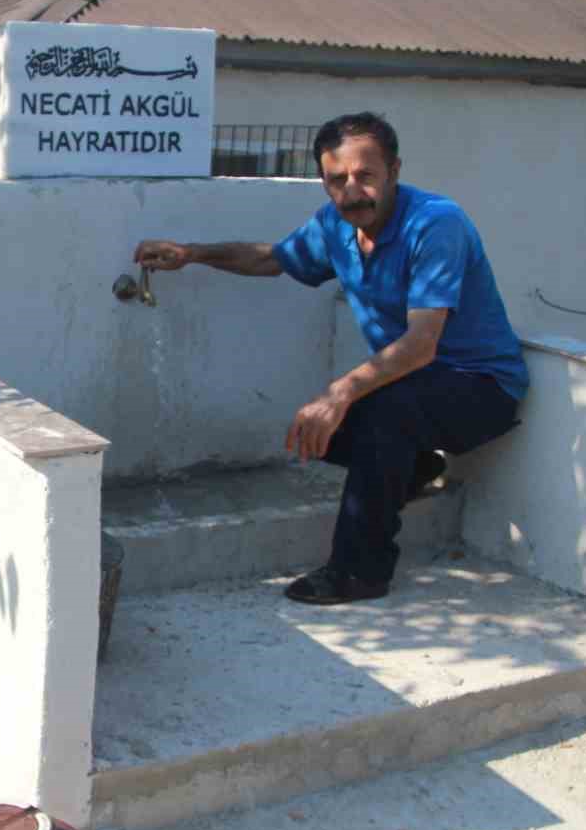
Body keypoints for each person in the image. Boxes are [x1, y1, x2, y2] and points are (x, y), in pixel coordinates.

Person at [133, 112, 527, 605]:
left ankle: (359, 572)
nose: (353, 191)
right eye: (337, 180)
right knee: (322, 436)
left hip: (482, 387)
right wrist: (191, 254)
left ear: (394, 171)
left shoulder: (435, 224)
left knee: (380, 416)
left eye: (366, 176)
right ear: (323, 181)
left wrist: (339, 392)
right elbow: (271, 258)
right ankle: (416, 467)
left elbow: (422, 342)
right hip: (418, 384)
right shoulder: (334, 227)